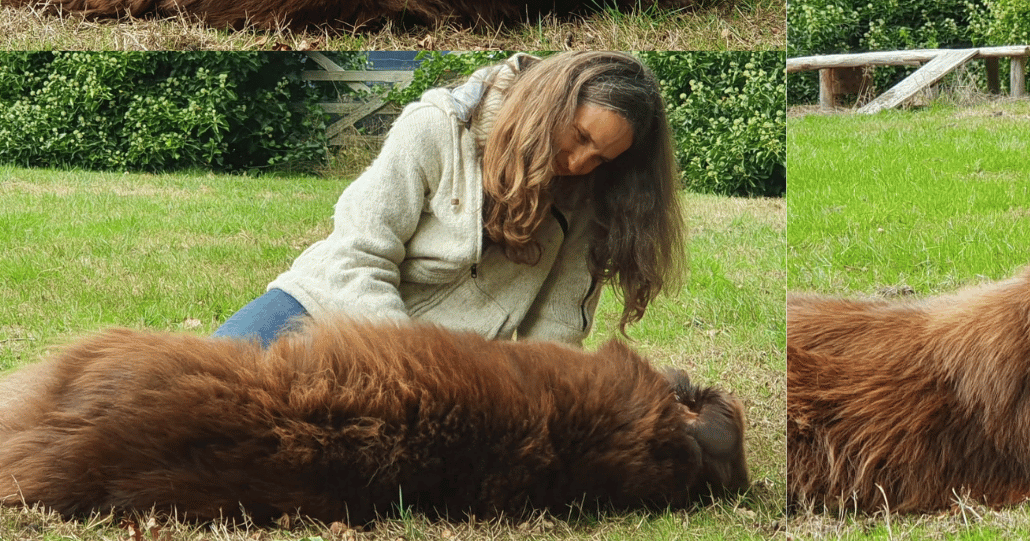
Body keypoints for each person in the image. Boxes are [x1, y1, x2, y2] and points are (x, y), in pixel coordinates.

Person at [215, 51, 686, 347]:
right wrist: (407, 358)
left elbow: (557, 327)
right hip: (325, 306)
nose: (581, 163)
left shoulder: (586, 195)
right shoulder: (437, 126)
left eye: (601, 158)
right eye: (580, 136)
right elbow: (358, 254)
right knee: (183, 394)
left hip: (455, 362)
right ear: (551, 103)